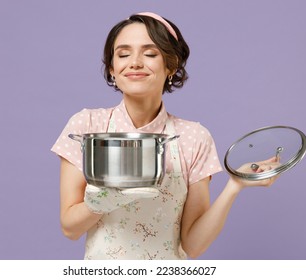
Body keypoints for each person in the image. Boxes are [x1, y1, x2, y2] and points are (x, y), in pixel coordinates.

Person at [51, 12, 279, 260]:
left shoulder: (193, 137)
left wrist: (234, 186)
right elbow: (69, 228)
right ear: (112, 69)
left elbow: (193, 245)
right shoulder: (87, 125)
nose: (135, 62)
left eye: (150, 54)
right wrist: (106, 200)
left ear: (171, 65)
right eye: (123, 54)